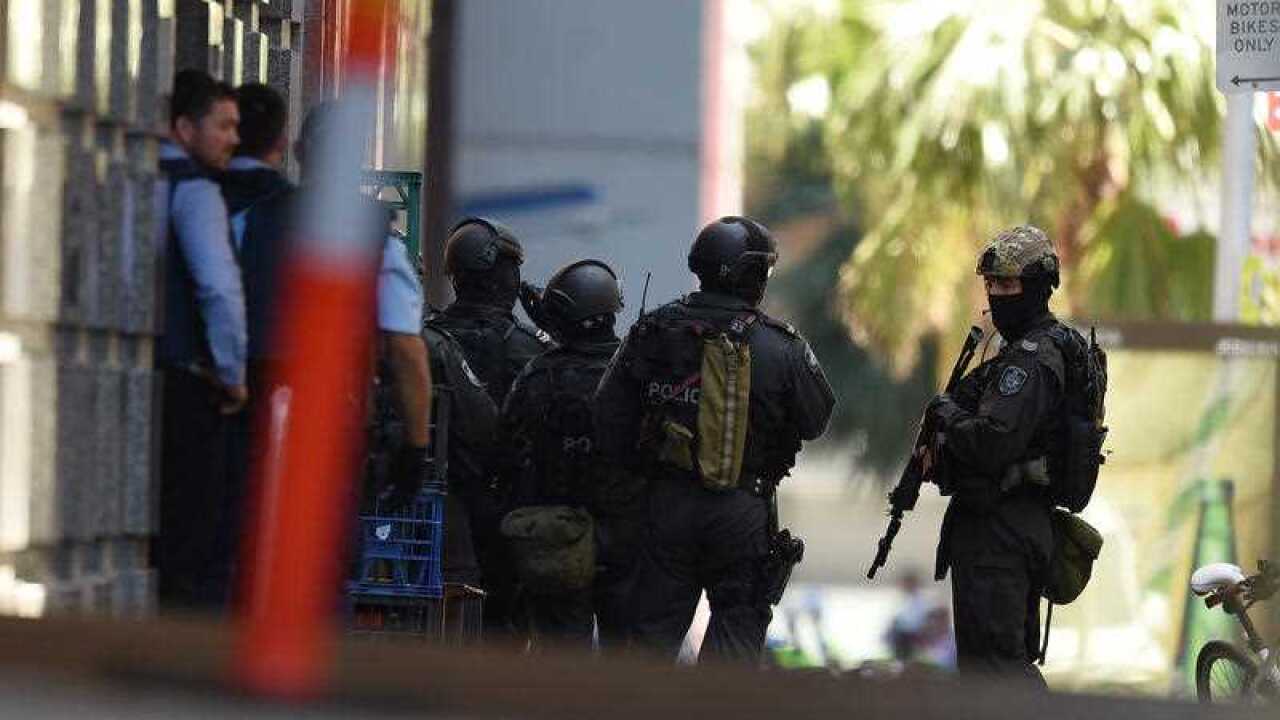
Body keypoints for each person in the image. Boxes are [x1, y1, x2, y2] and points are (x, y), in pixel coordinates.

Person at [594, 216, 834, 664]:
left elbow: (608, 417)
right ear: (752, 275)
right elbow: (816, 420)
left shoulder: (651, 331)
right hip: (742, 510)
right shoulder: (781, 346)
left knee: (649, 642)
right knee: (736, 636)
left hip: (665, 506)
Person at [924, 225, 1067, 687]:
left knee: (997, 672)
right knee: (990, 670)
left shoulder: (1031, 359)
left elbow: (993, 442)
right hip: (1001, 526)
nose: (996, 295)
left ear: (1038, 286)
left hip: (1002, 530)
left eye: (1007, 284)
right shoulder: (1022, 353)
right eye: (991, 284)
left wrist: (947, 416)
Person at [499, 259, 644, 650]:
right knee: (627, 656)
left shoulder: (536, 375)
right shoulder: (638, 373)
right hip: (627, 538)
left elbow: (506, 444)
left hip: (556, 537)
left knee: (559, 657)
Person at [426, 217, 551, 637]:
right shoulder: (533, 349)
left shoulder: (427, 340)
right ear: (504, 276)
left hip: (439, 507)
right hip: (510, 510)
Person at [154, 69, 246, 612]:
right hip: (188, 380)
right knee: (191, 538)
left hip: (139, 369)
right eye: (224, 126)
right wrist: (233, 374)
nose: (234, 138)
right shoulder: (196, 191)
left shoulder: (134, 175)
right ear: (185, 128)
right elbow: (219, 288)